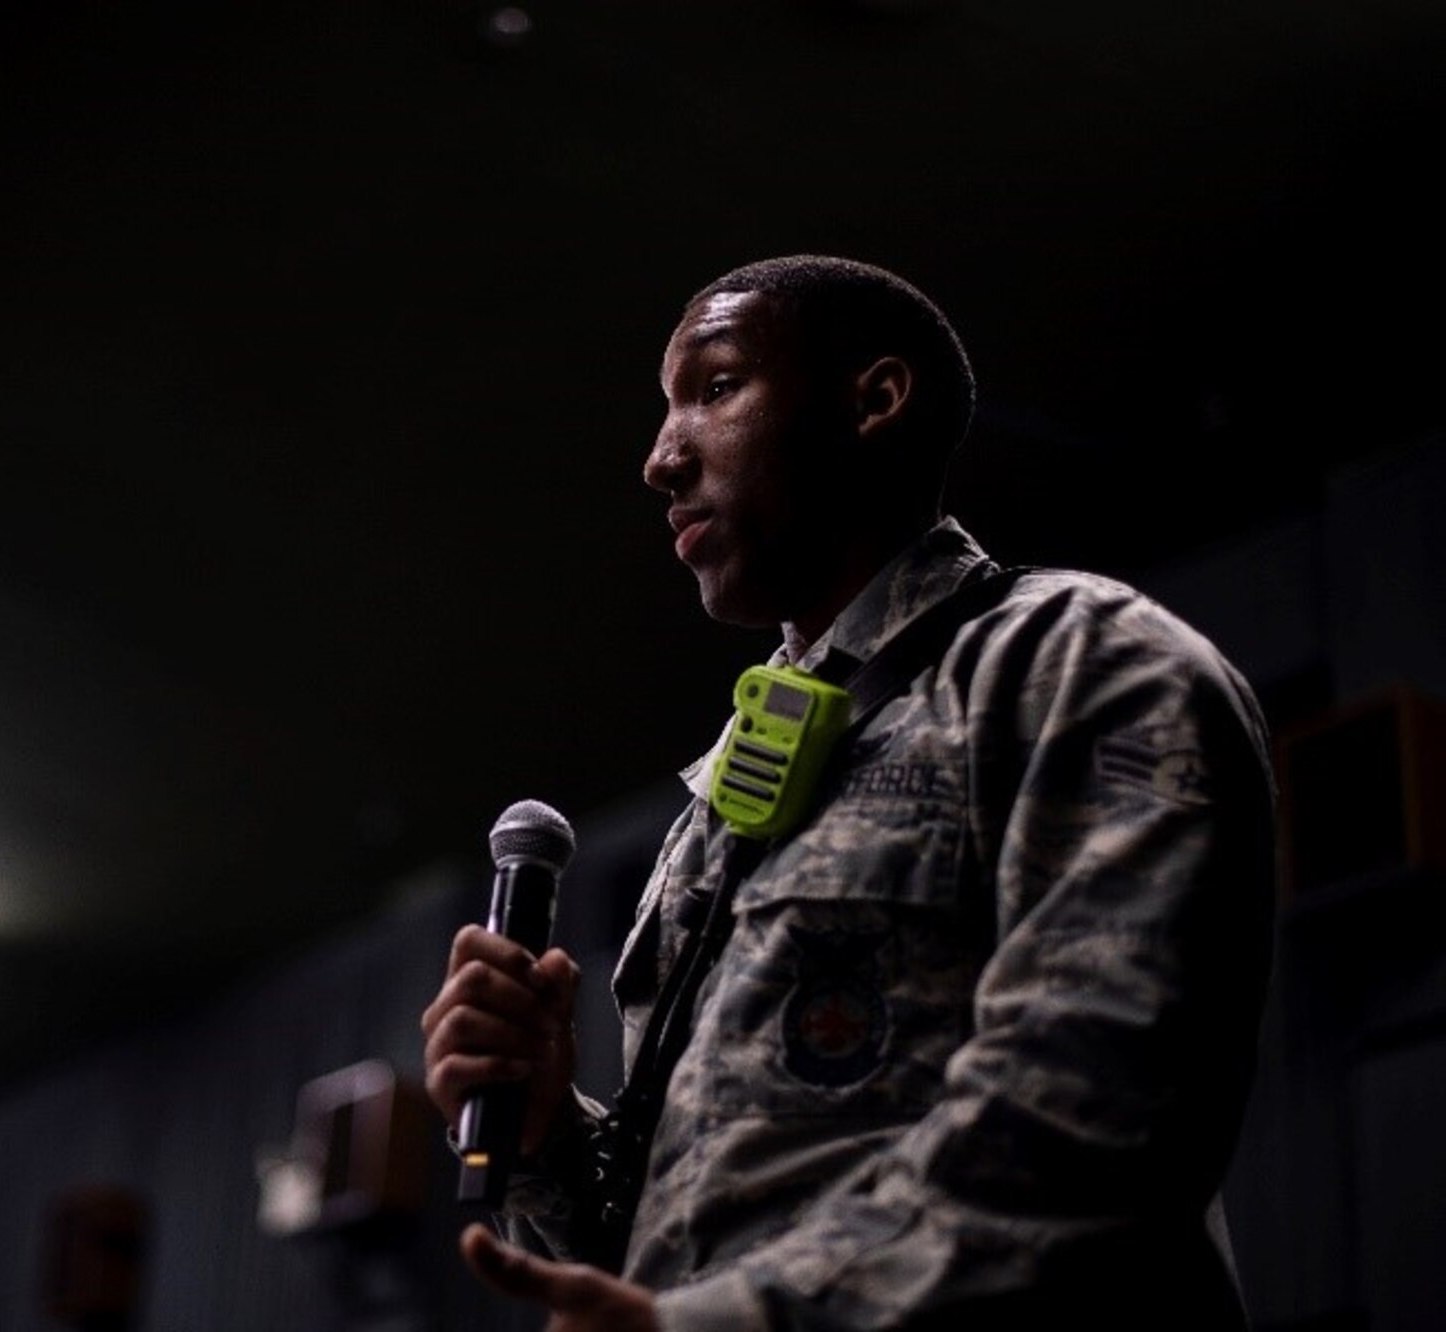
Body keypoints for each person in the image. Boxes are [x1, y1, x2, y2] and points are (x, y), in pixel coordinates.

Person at [418, 255, 1277, 1330]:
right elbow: (676, 1235)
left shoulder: (1075, 665)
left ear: (873, 400)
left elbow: (1095, 1118)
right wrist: (546, 1133)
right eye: (662, 411)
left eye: (714, 389)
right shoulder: (718, 807)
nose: (658, 460)